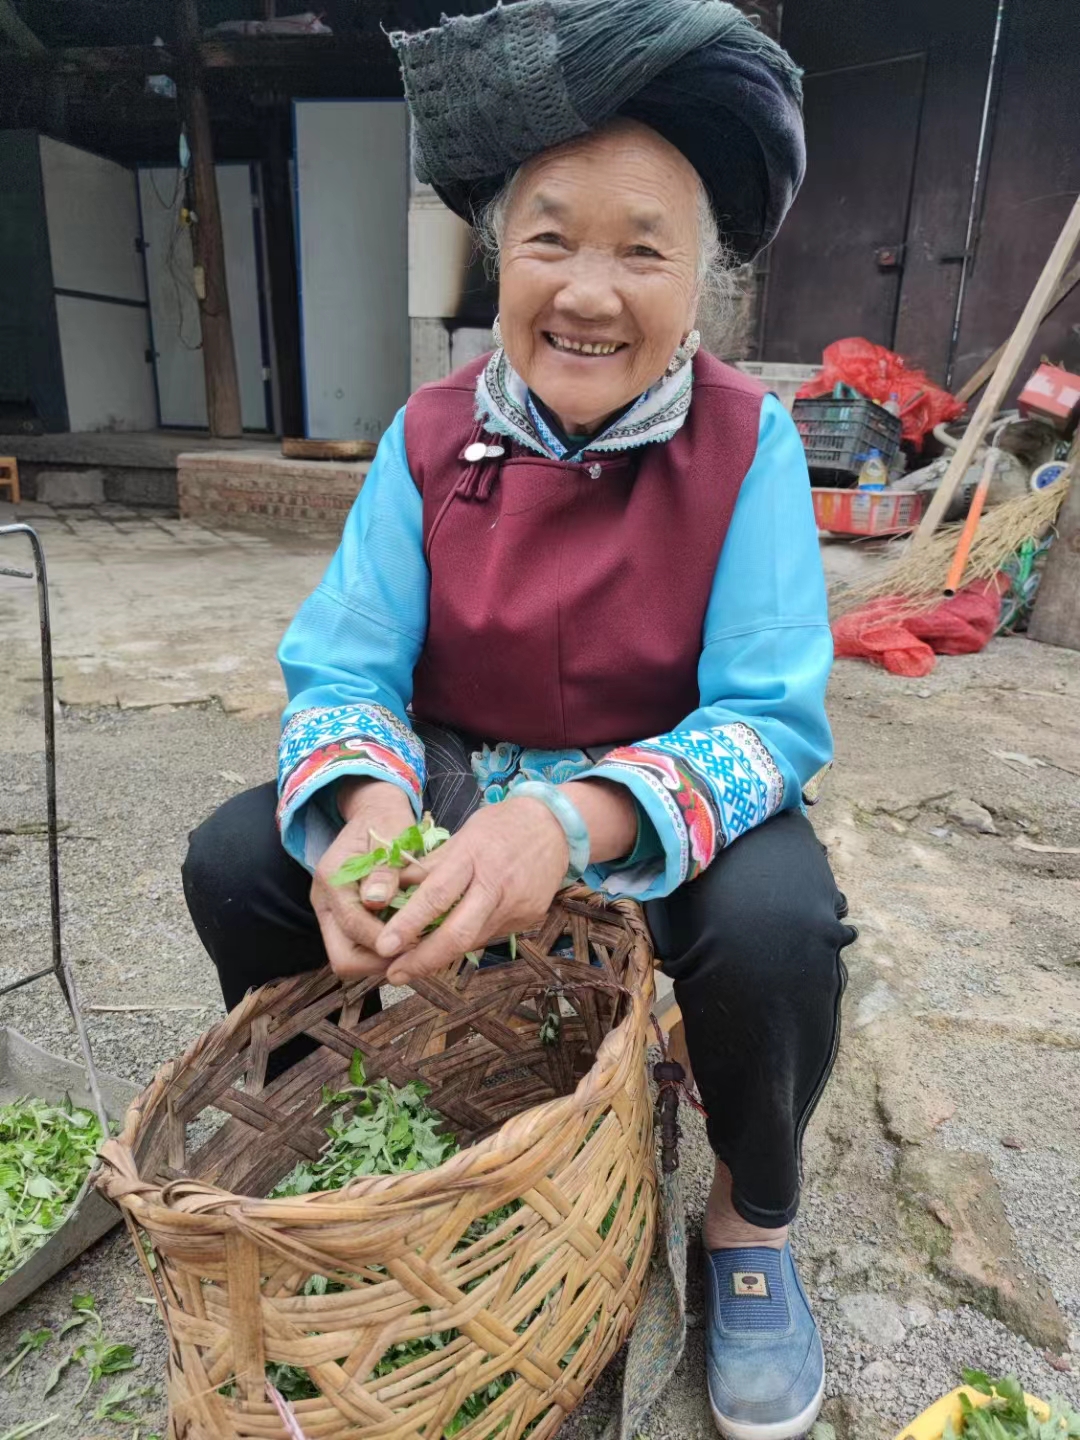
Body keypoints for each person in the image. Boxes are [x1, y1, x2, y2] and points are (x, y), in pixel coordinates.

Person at [182, 3, 857, 1435]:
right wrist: (366, 811)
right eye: (550, 238)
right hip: (453, 784)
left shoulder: (749, 442)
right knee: (240, 860)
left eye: (643, 248)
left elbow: (769, 711)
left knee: (783, 926)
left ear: (708, 278)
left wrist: (571, 819)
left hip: (653, 811)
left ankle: (748, 1224)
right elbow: (349, 665)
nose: (591, 292)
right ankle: (382, 1123)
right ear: (498, 254)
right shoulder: (429, 435)